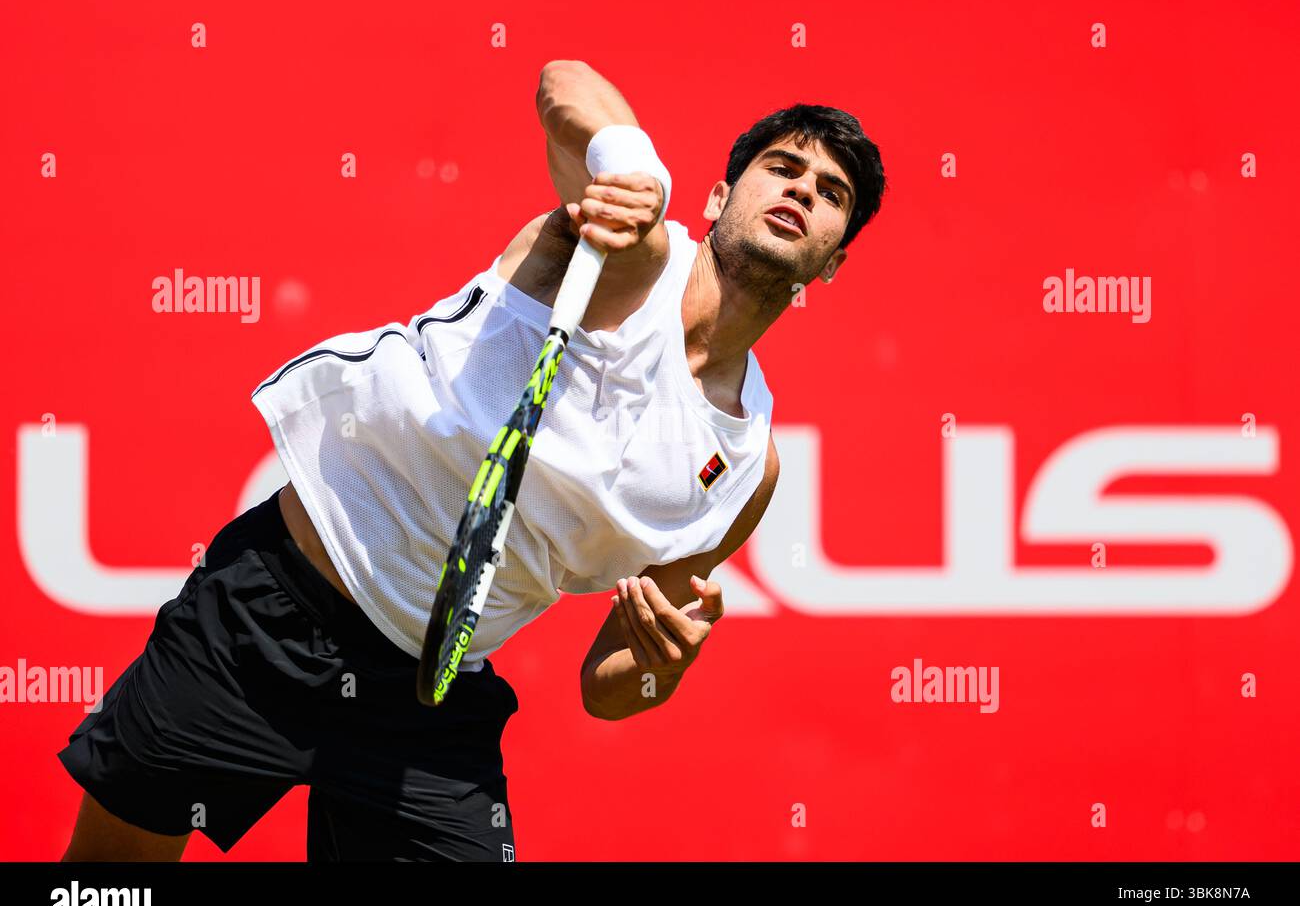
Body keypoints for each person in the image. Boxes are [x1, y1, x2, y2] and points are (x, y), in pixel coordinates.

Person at [57, 59, 887, 861]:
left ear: (835, 259)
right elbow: (561, 81)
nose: (803, 191)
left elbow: (606, 684)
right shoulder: (618, 255)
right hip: (273, 609)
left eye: (831, 194)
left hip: (429, 700)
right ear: (718, 196)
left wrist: (662, 668)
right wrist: (630, 162)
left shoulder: (748, 467)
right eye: (784, 168)